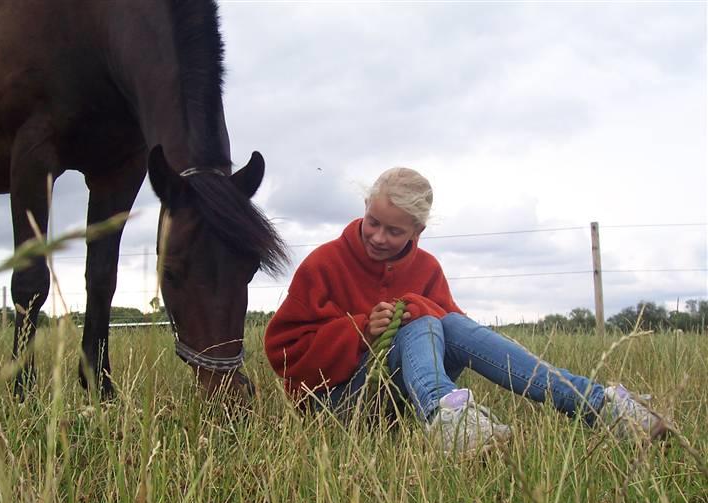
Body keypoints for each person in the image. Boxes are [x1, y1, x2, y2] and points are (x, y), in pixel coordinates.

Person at [264, 167, 668, 453]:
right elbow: (284, 354)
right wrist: (359, 331)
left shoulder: (427, 268)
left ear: (417, 232)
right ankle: (450, 417)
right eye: (373, 222)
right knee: (420, 319)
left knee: (446, 322)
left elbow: (455, 337)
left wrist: (420, 310)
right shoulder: (324, 263)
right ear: (366, 208)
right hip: (338, 407)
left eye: (394, 230)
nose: (378, 237)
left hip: (402, 404)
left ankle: (598, 405)